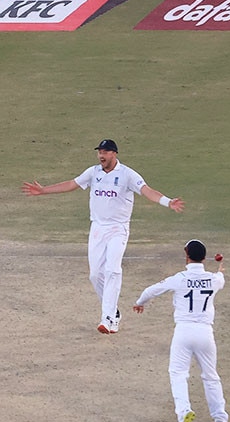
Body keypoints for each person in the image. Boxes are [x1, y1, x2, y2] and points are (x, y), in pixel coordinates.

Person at [21, 139, 185, 334]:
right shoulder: (93, 172)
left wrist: (168, 202)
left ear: (114, 154)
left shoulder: (127, 174)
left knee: (112, 270)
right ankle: (113, 311)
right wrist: (43, 190)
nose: (101, 155)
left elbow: (147, 191)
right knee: (95, 275)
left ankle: (107, 319)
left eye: (105, 152)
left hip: (118, 228)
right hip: (98, 228)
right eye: (99, 152)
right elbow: (72, 184)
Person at [133, 240, 228, 422]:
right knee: (211, 377)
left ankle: (184, 412)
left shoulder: (180, 278)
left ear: (186, 255)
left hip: (183, 331)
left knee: (177, 374)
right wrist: (220, 268)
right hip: (205, 333)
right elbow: (220, 277)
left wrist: (140, 302)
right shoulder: (213, 279)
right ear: (204, 257)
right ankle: (221, 420)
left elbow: (151, 290)